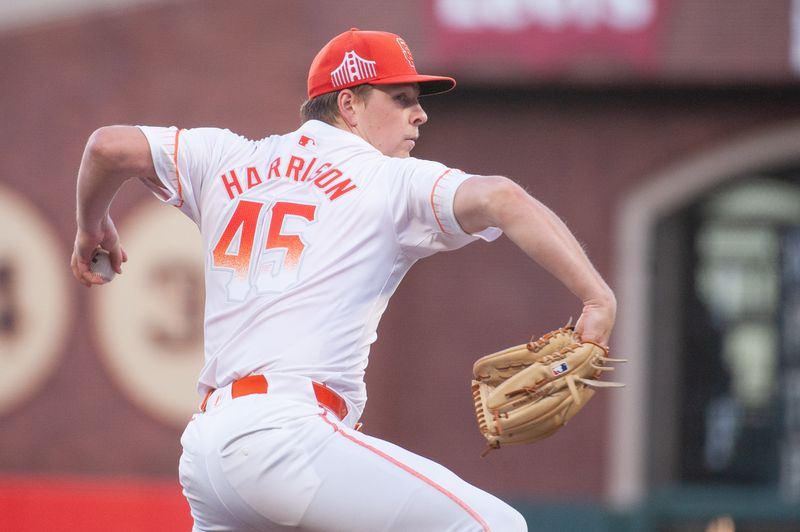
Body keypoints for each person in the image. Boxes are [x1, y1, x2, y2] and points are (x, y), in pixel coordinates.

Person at [71, 28, 615, 532]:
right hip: (287, 439)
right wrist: (597, 297)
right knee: (496, 528)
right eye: (400, 98)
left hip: (209, 454)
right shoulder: (386, 180)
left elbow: (107, 147)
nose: (419, 115)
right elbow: (503, 198)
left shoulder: (228, 156)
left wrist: (90, 227)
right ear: (349, 104)